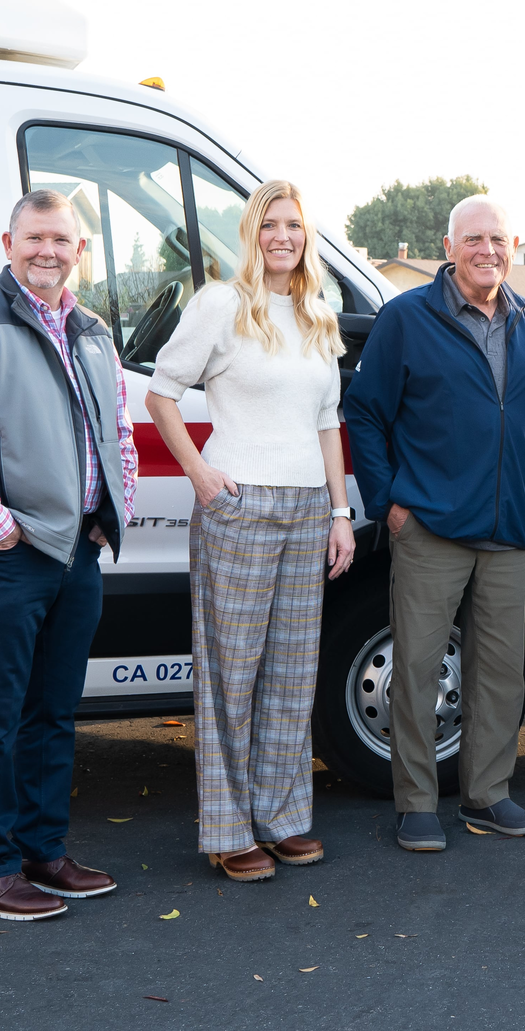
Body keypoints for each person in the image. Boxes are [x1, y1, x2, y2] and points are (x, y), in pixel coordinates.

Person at [0, 188, 139, 922]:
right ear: (8, 243)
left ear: (80, 250)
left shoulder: (93, 330)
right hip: (8, 556)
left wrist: (112, 515)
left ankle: (44, 852)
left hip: (77, 551)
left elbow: (121, 437)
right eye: (35, 238)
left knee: (54, 714)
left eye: (62, 240)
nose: (48, 251)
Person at [145, 180, 355, 883]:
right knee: (232, 676)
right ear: (251, 233)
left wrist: (339, 513)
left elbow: (328, 424)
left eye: (294, 225)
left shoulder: (318, 316)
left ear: (307, 236)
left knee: (293, 676)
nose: (283, 237)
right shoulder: (222, 304)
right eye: (271, 225)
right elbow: (161, 391)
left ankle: (283, 819)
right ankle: (229, 830)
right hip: (239, 507)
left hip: (305, 513)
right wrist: (200, 474)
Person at [343, 195, 525, 852]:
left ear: (512, 247)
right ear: (448, 246)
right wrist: (390, 504)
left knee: (499, 671)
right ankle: (415, 803)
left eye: (497, 239)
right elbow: (365, 412)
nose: (486, 250)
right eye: (473, 239)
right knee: (417, 665)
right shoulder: (407, 318)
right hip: (430, 526)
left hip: (507, 530)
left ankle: (488, 796)